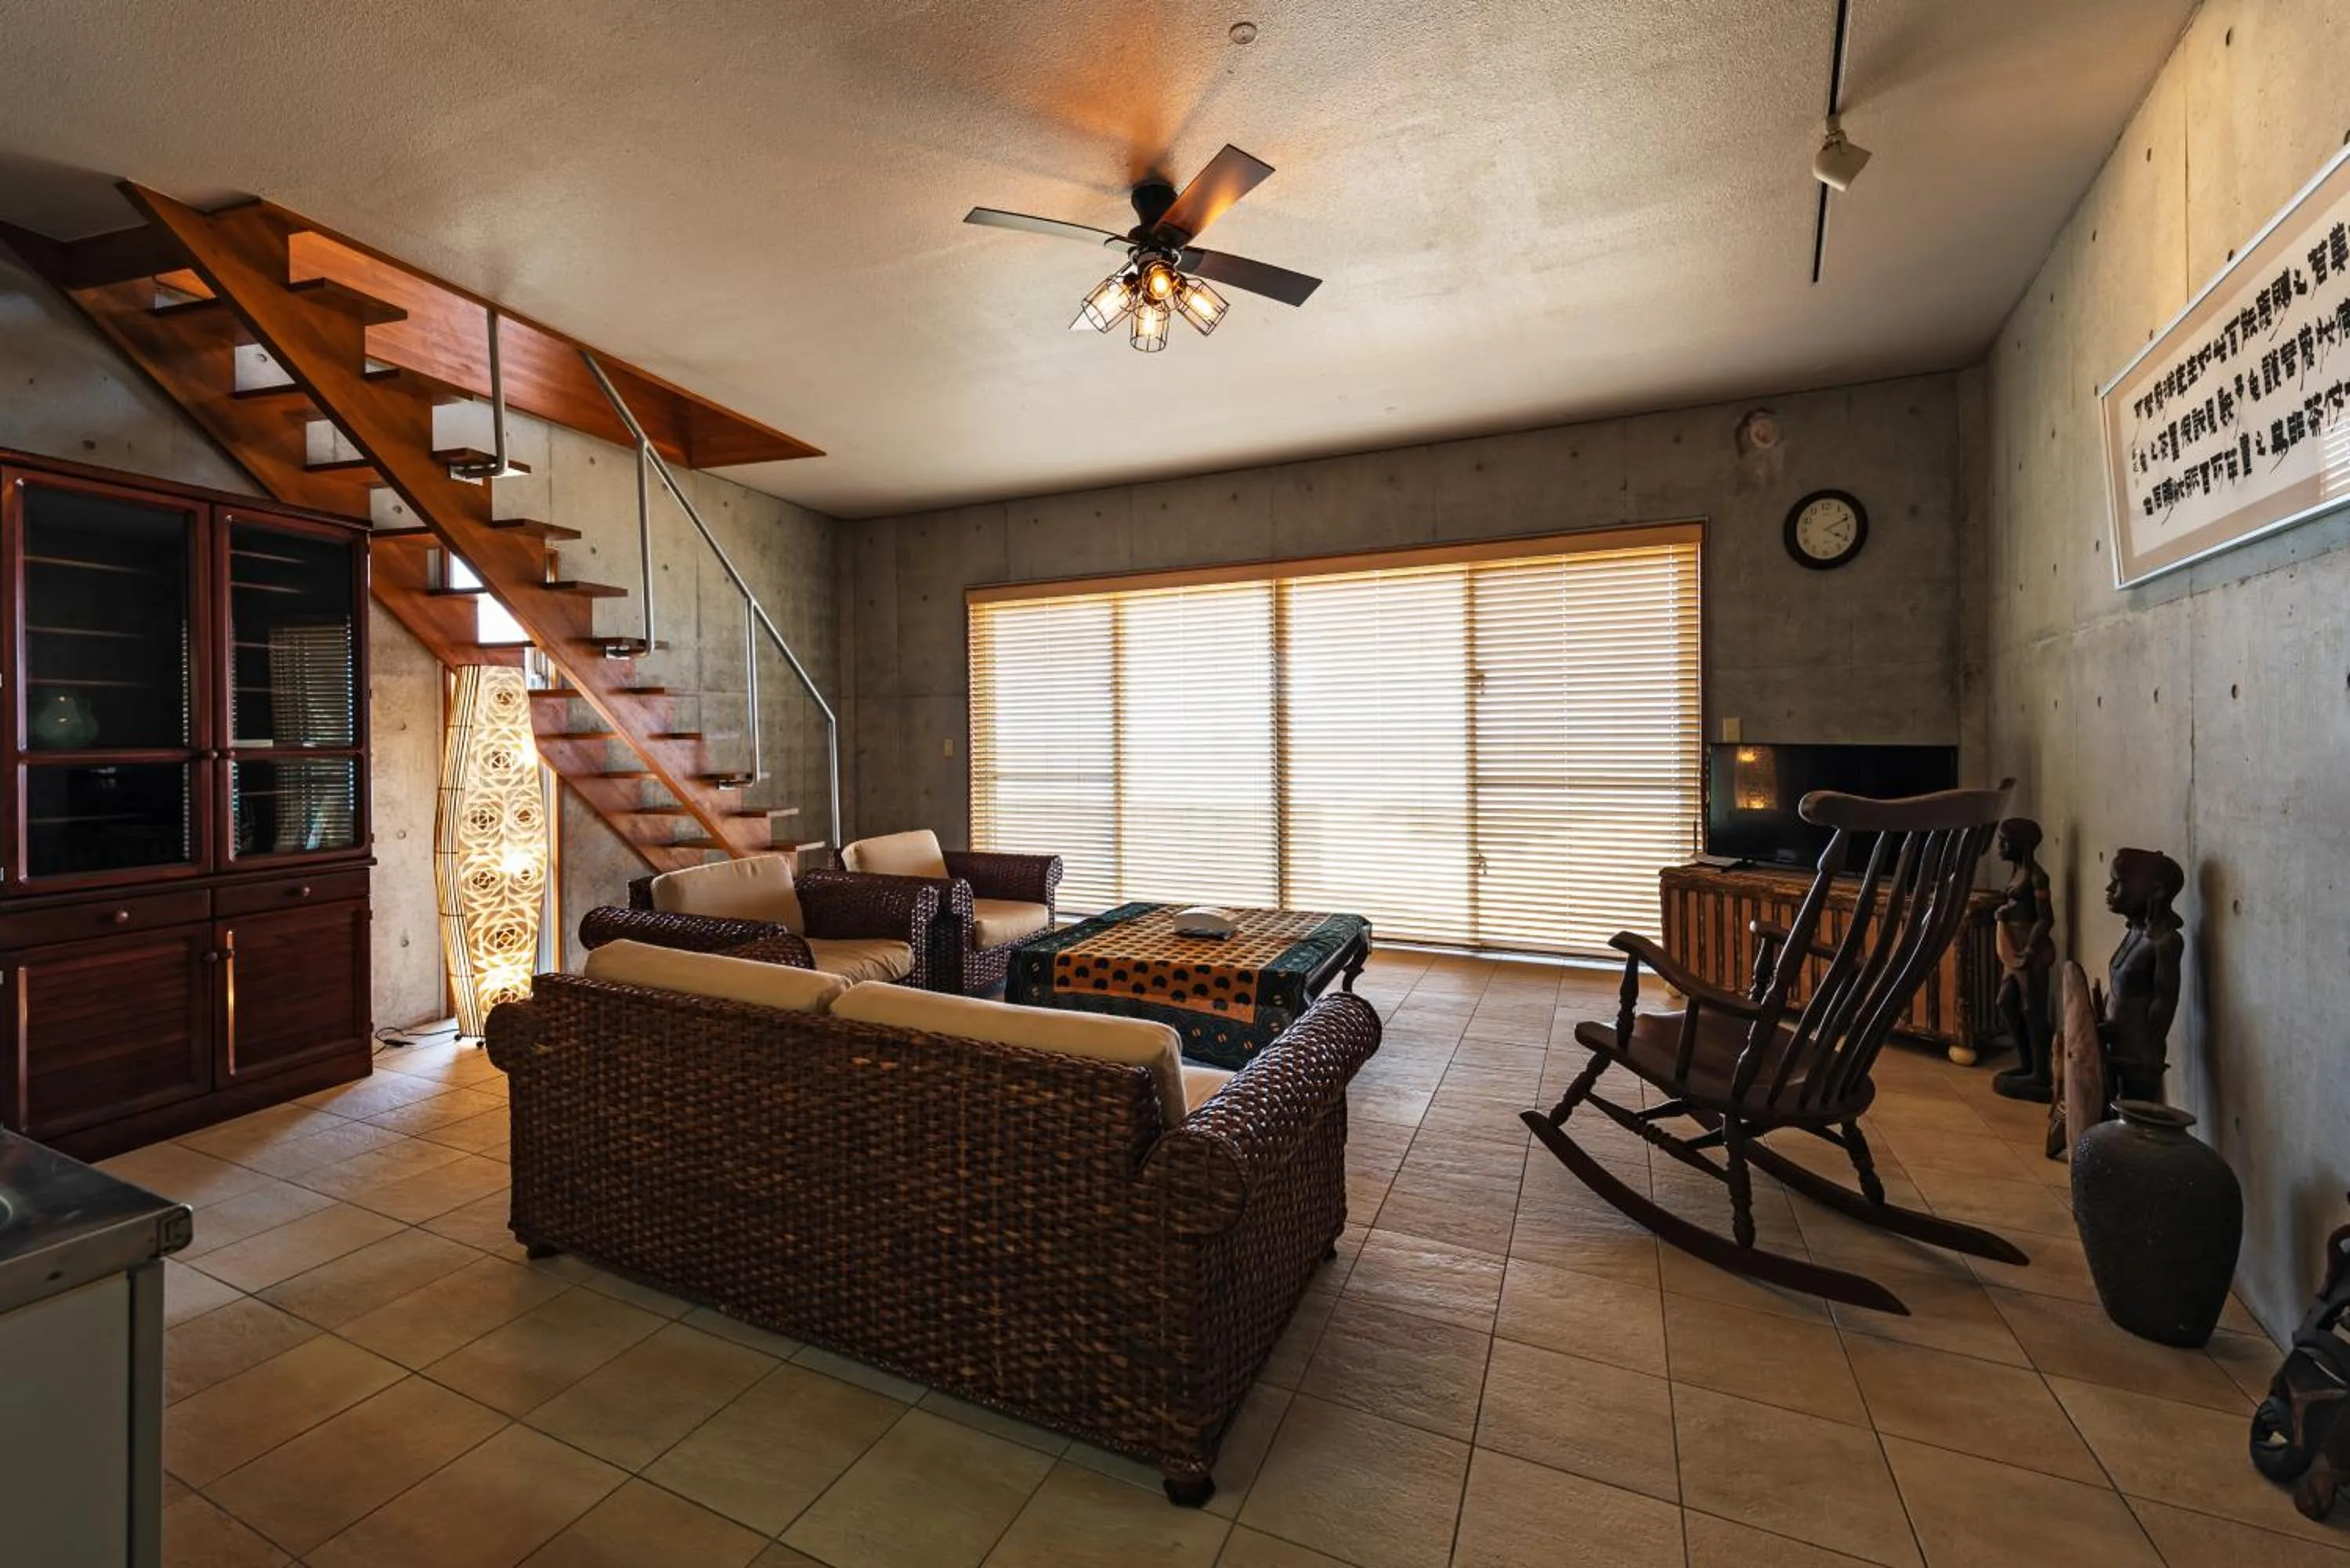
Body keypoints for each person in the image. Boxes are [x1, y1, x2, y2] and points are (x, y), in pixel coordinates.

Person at [1990, 818, 2057, 1102]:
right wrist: (2005, 911)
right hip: (2012, 945)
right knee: (2005, 1002)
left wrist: (2030, 948)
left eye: (2004, 841)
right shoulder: (2018, 871)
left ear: (2021, 845)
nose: (2000, 846)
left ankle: (2040, 1072)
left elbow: (2046, 918)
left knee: (2034, 1010)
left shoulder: (2038, 876)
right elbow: (2019, 904)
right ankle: (2027, 1063)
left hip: (2030, 948)